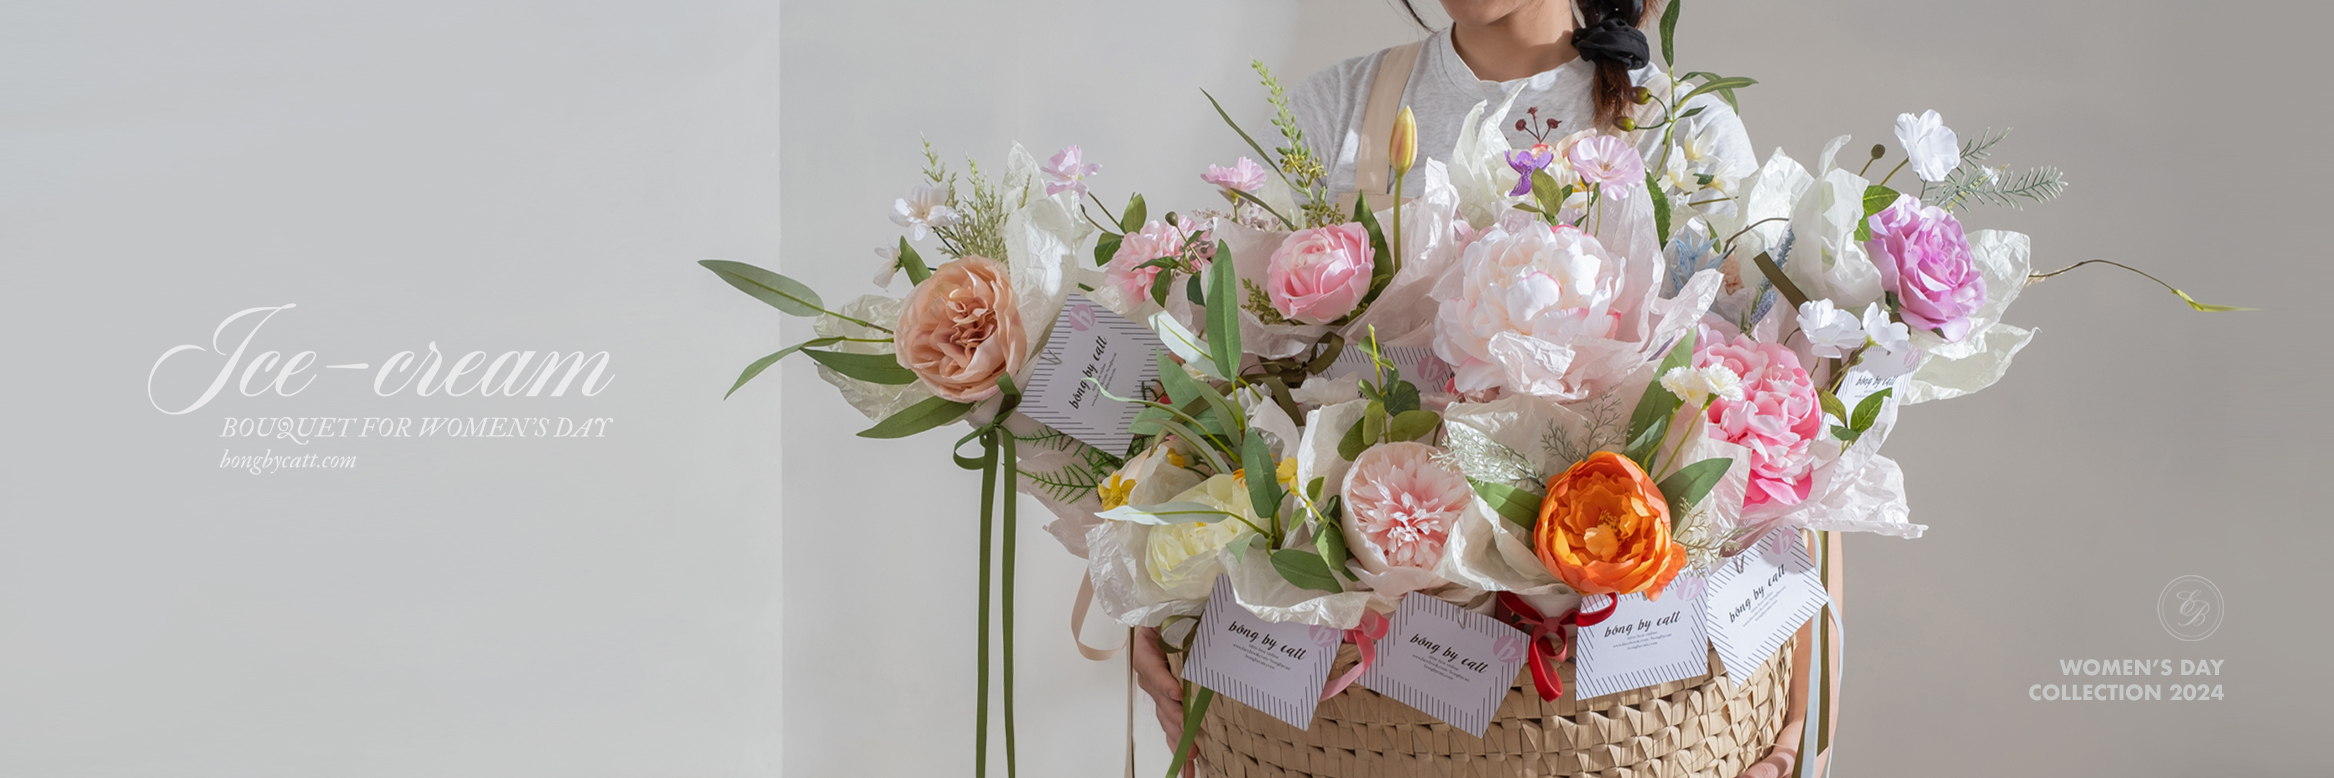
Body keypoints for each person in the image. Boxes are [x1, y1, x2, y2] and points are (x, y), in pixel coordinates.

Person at [1131, 3, 1814, 776]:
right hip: (1365, 719)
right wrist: (1150, 599)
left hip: (1604, 717)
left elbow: (1786, 433)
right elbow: (1223, 394)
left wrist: (1797, 722)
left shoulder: (1681, 129)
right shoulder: (1340, 108)